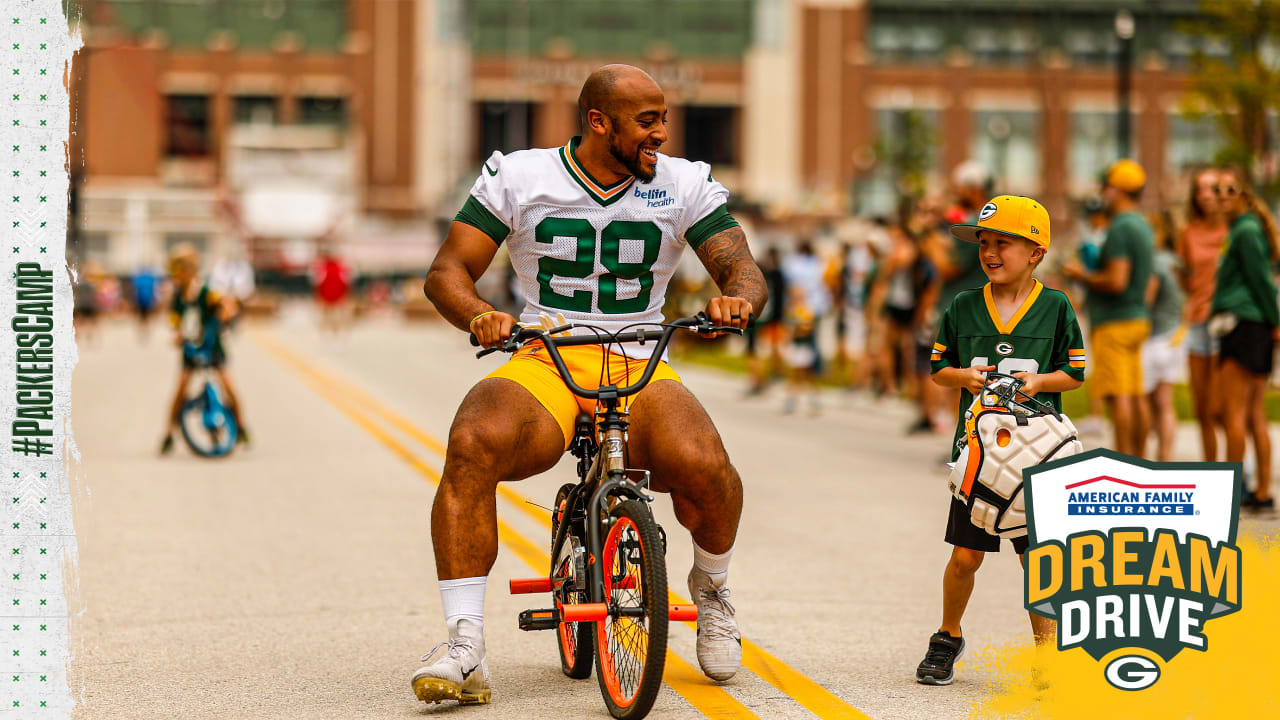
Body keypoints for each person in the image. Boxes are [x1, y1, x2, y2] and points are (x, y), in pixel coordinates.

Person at [414, 64, 766, 705]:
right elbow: (447, 271)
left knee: (707, 465)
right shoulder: (522, 174)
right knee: (472, 441)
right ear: (599, 122)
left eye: (664, 117)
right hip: (547, 352)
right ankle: (464, 644)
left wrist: (735, 300)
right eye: (647, 120)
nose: (662, 132)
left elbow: (741, 267)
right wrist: (479, 314)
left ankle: (712, 590)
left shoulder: (683, 181)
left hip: (639, 357)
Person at [916, 195, 1085, 685]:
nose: (989, 252)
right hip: (980, 458)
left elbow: (1074, 374)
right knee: (965, 556)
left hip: (1036, 457)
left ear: (1035, 252)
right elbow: (938, 370)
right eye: (983, 243)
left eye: (1002, 243)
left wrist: (1039, 383)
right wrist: (963, 377)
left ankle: (1046, 654)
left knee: (1038, 560)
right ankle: (947, 636)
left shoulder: (1055, 307)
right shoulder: (964, 305)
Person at [1063, 159, 1155, 457]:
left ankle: (1125, 460)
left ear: (1117, 190)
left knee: (1119, 397)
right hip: (1137, 319)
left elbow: (1116, 280)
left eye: (1106, 186)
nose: (1103, 192)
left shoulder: (1120, 227)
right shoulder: (1142, 224)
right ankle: (1139, 459)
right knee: (1136, 394)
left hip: (1115, 322)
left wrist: (1081, 275)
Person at [1210, 167, 1279, 512]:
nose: (1221, 196)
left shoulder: (1246, 230)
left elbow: (1261, 281)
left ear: (1245, 193)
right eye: (1217, 189)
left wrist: (1275, 322)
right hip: (1252, 324)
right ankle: (1262, 492)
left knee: (1233, 412)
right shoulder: (1239, 229)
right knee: (1252, 414)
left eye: (1229, 190)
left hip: (1245, 325)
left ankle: (1232, 491)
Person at [159, 244, 249, 454]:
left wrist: (223, 316)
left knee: (227, 385)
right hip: (191, 349)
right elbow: (175, 322)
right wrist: (177, 336)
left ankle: (241, 426)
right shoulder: (177, 298)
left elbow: (227, 305)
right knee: (180, 390)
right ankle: (169, 433)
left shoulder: (205, 292)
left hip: (211, 346)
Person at [1176, 167, 1228, 460]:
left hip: (1227, 324)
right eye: (1200, 189)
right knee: (1202, 408)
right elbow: (1185, 277)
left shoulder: (1235, 230)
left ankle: (1239, 471)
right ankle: (1214, 470)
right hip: (1197, 322)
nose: (1206, 195)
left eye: (1213, 188)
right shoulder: (1189, 233)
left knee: (1225, 408)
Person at [1141, 210, 1187, 461]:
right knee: (1166, 404)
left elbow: (1147, 300)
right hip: (1175, 337)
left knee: (1147, 403)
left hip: (1155, 338)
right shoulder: (1177, 261)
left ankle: (1144, 458)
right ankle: (1165, 456)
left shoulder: (1156, 263)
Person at [746, 246, 787, 395]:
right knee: (773, 347)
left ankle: (758, 380)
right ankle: (773, 374)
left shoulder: (759, 273)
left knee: (753, 349)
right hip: (772, 316)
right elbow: (782, 297)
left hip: (756, 316)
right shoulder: (779, 274)